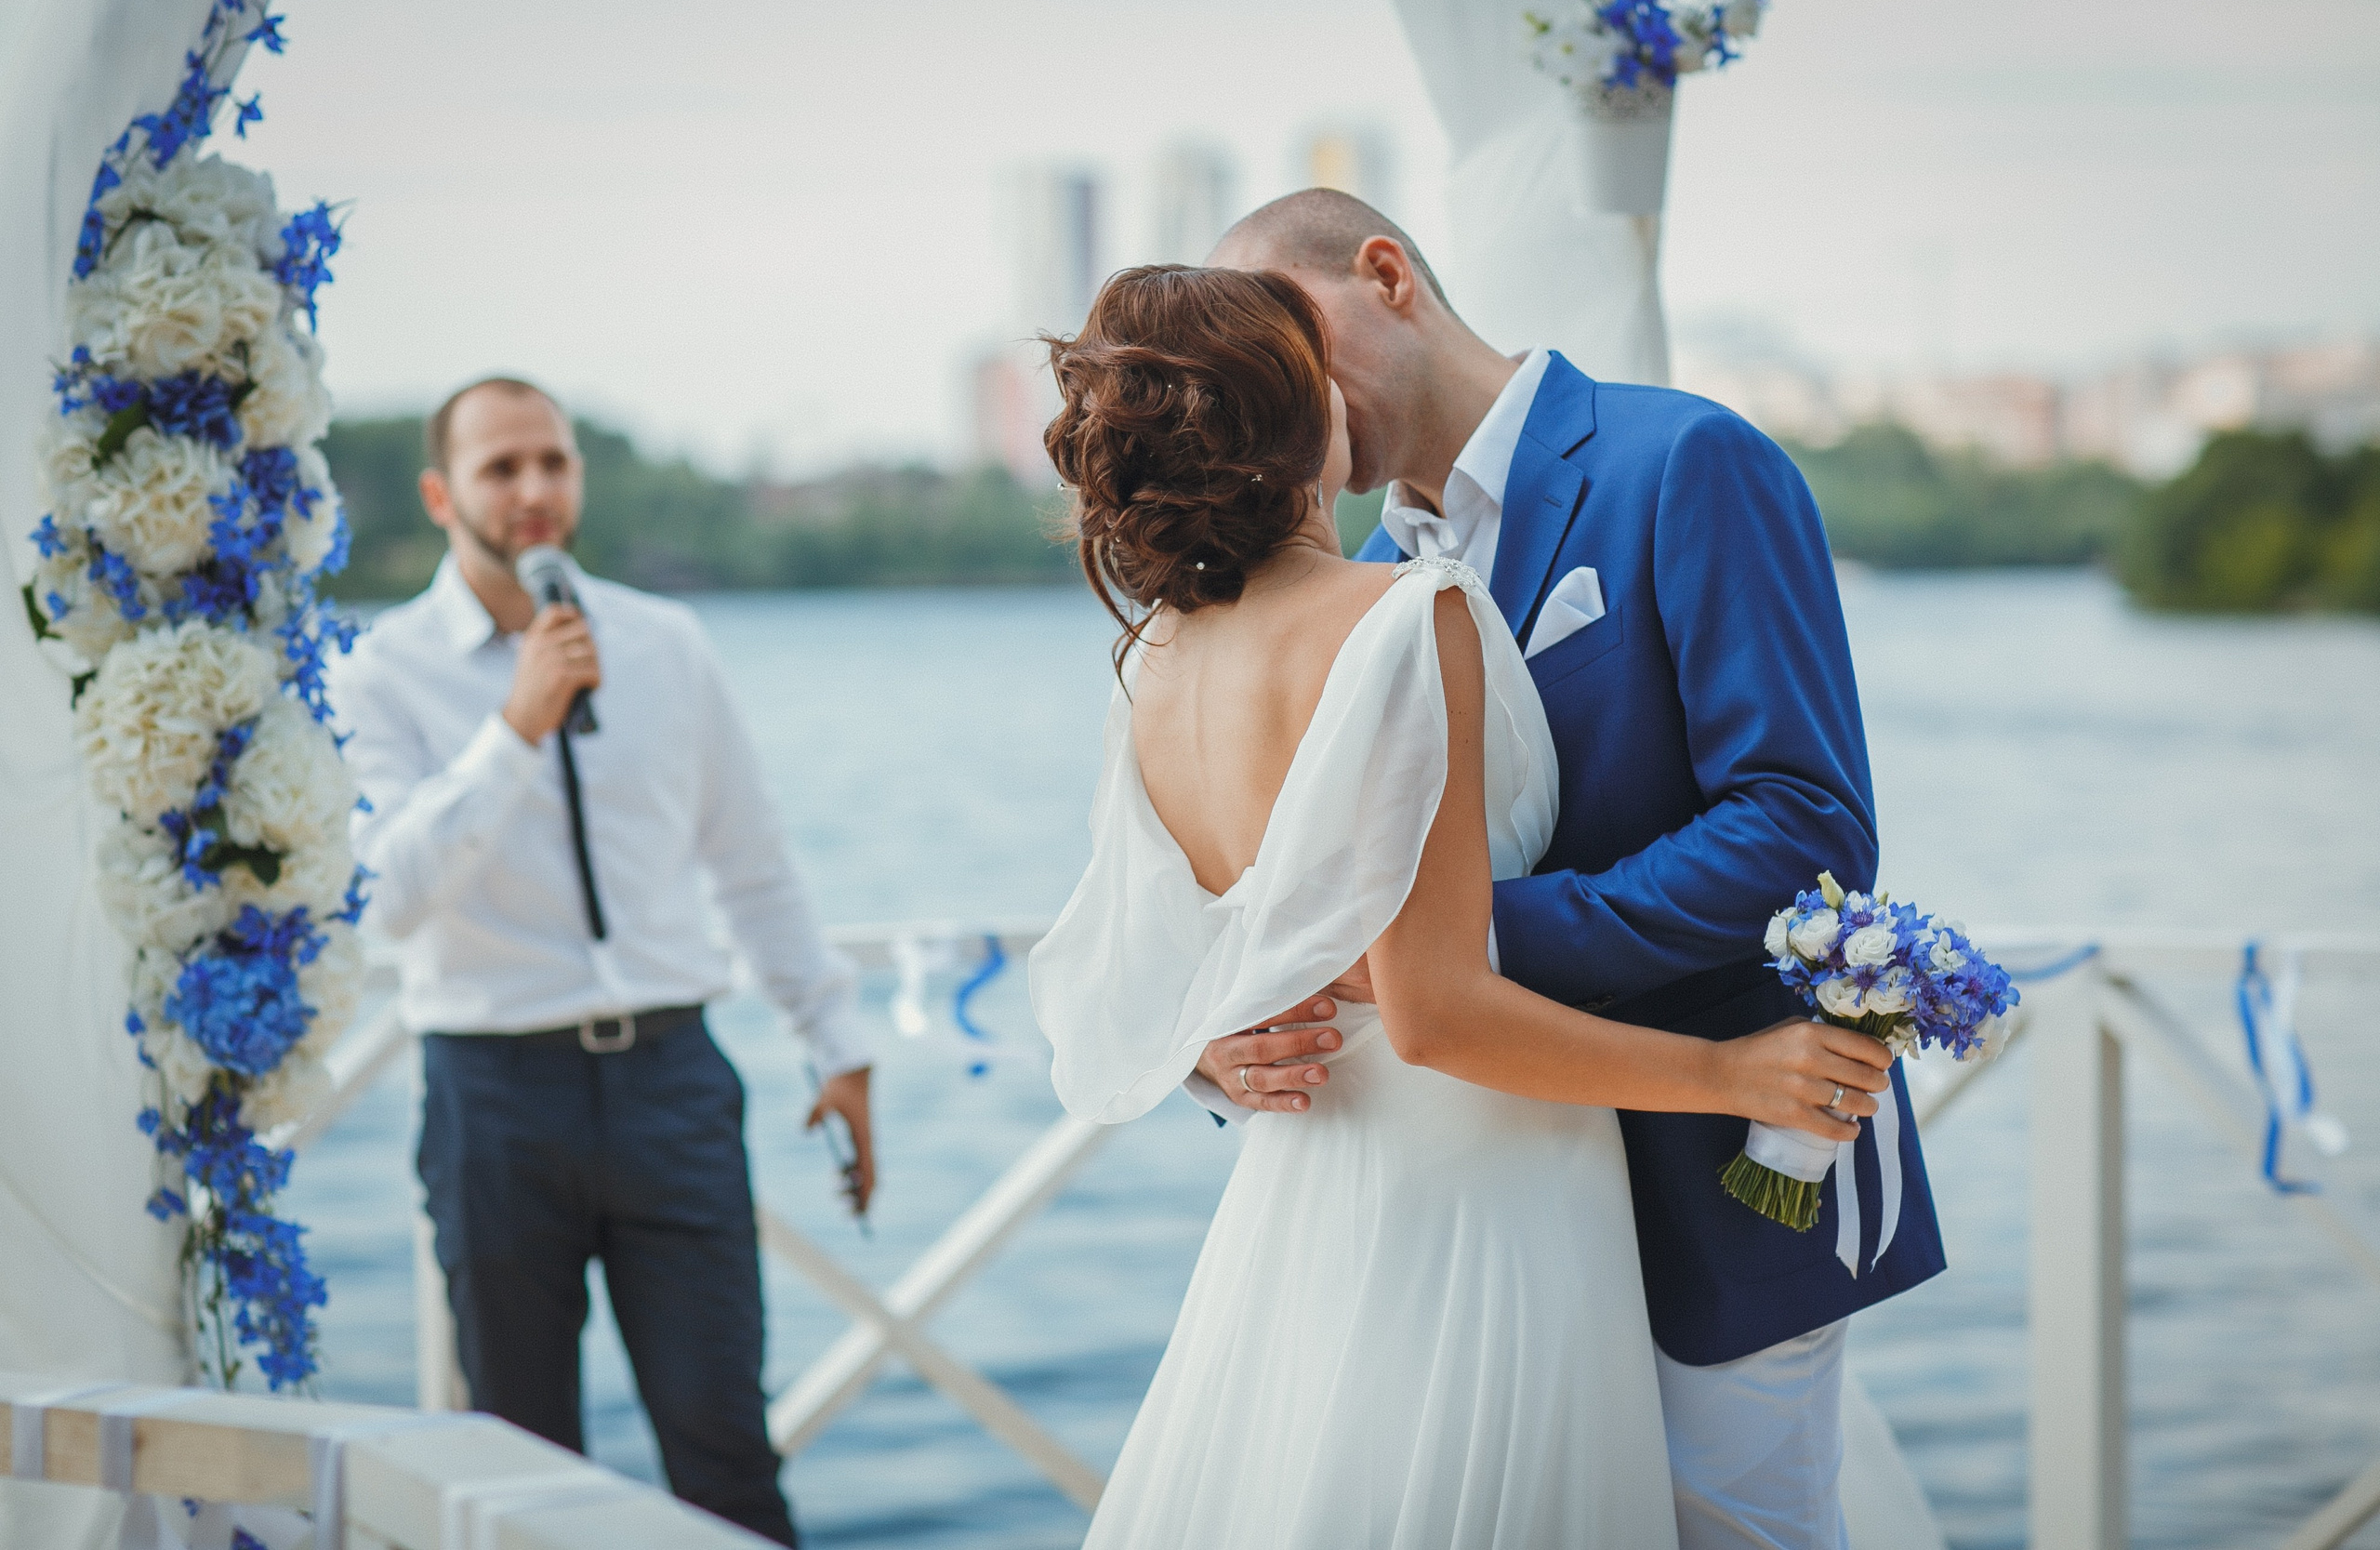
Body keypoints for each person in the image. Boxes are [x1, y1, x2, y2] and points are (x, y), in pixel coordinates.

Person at [1026, 265, 1895, 1547]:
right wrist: (1227, 1038)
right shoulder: (1382, 592)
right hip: (1485, 1181)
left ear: (1385, 279)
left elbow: (1803, 821)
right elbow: (1343, 966)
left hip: (1678, 1180)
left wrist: (1414, 954)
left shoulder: (1684, 458)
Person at [329, 377, 874, 1546]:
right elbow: (390, 899)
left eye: (553, 463)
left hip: (673, 1084)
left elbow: (752, 862)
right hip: (494, 1096)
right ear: (441, 493)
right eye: (500, 468)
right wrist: (515, 727)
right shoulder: (380, 670)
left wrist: (837, 1042)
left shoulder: (665, 644)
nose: (533, 491)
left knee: (724, 1448)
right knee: (516, 1469)